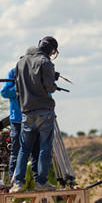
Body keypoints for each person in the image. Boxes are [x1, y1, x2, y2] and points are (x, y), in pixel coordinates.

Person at [10, 36, 61, 193]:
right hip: (44, 111)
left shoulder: (20, 63)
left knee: (24, 149)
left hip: (26, 112)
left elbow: (18, 89)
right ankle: (41, 182)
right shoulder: (45, 62)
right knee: (44, 147)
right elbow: (50, 88)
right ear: (51, 50)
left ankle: (18, 183)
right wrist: (53, 78)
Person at [0, 67, 39, 181]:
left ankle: (35, 179)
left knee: (35, 150)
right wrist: (20, 87)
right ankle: (15, 180)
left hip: (33, 119)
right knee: (16, 149)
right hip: (17, 120)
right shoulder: (13, 72)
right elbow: (5, 92)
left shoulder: (35, 70)